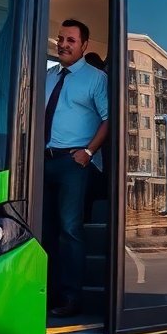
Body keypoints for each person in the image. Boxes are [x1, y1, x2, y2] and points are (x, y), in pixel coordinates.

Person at [43, 19, 109, 317]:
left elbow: (109, 119)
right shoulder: (47, 76)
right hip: (43, 161)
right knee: (42, 229)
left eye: (71, 40)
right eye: (60, 39)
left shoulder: (96, 78)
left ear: (84, 46)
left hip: (74, 163)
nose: (64, 44)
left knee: (70, 230)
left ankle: (71, 298)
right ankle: (46, 295)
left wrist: (88, 151)